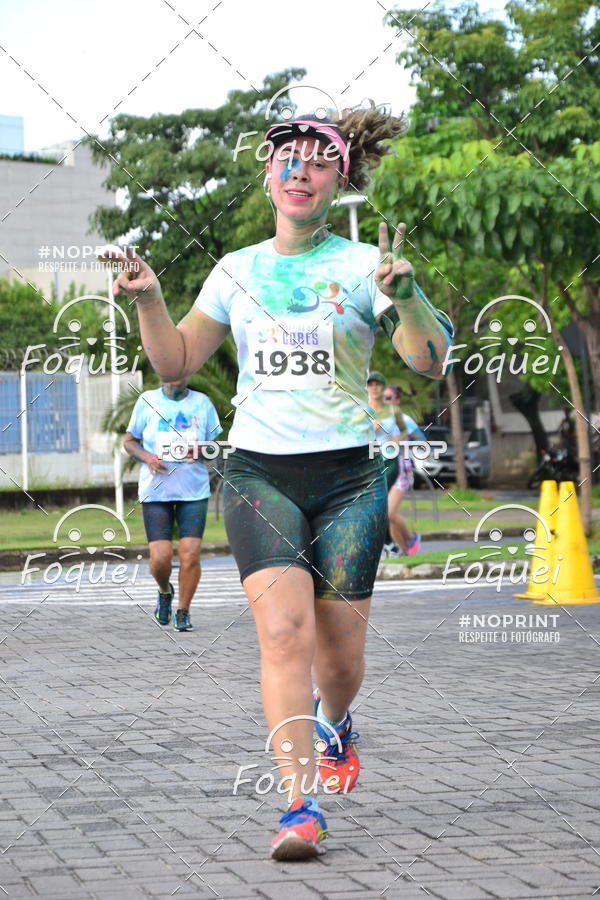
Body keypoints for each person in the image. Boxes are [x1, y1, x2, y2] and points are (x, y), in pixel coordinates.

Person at [109, 103, 453, 860]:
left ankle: (337, 721)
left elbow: (429, 360)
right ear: (267, 173)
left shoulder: (367, 267)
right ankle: (299, 806)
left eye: (319, 161)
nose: (301, 172)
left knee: (339, 659)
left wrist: (410, 295)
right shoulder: (235, 270)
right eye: (286, 159)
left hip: (350, 478)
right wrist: (149, 299)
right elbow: (175, 365)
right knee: (282, 633)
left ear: (341, 178)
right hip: (259, 471)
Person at [124, 377, 221, 631]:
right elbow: (129, 441)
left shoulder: (202, 403)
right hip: (157, 491)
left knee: (190, 554)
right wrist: (148, 457)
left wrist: (200, 451)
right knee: (160, 558)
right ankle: (164, 591)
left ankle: (183, 610)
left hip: (194, 491)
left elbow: (215, 447)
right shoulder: (147, 401)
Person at [382, 384, 424, 556]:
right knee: (387, 517)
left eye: (390, 398)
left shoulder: (404, 420)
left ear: (397, 400)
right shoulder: (378, 421)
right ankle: (406, 551)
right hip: (382, 471)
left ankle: (412, 539)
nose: (386, 402)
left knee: (389, 513)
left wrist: (402, 442)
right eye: (383, 398)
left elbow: (422, 440)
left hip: (401, 471)